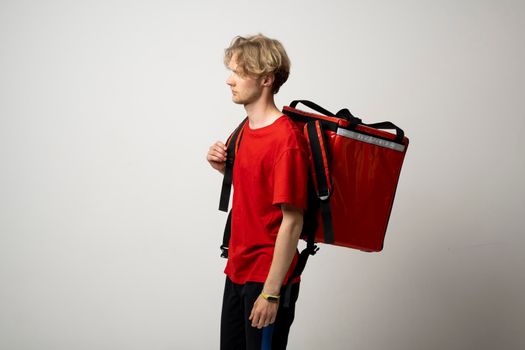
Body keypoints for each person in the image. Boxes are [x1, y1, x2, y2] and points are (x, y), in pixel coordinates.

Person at [206, 34, 309, 350]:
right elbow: (259, 192)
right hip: (237, 270)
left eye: (238, 72)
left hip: (266, 279)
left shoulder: (286, 141)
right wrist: (225, 170)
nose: (229, 80)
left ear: (266, 78)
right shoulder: (244, 131)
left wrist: (271, 292)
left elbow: (292, 222)